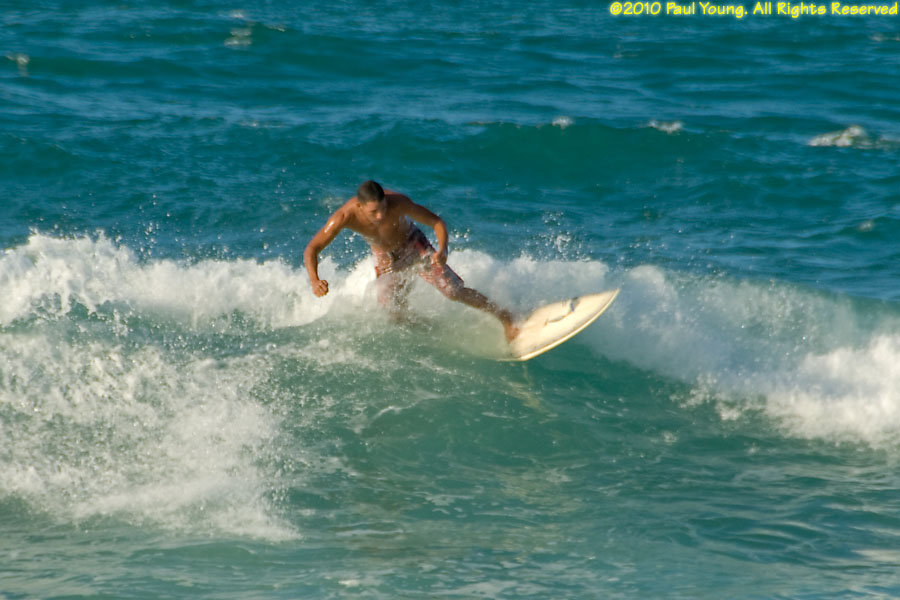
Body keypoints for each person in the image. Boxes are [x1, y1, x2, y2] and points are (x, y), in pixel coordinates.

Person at [305, 180, 519, 342]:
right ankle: (436, 331)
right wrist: (315, 280)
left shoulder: (399, 203)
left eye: (383, 208)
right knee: (393, 313)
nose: (380, 215)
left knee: (453, 291)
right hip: (385, 259)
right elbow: (312, 249)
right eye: (373, 211)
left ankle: (505, 316)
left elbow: (437, 222)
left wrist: (442, 250)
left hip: (414, 246)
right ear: (360, 206)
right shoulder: (344, 218)